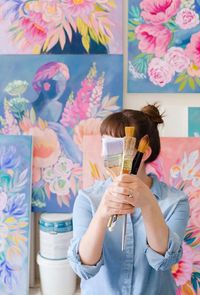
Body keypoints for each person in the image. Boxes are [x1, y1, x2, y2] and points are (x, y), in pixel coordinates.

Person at [67, 104, 190, 295]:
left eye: (116, 146)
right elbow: (84, 267)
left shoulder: (175, 201)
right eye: (104, 144)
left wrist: (148, 204)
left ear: (144, 153)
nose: (105, 154)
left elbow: (164, 261)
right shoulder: (87, 199)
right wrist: (102, 212)